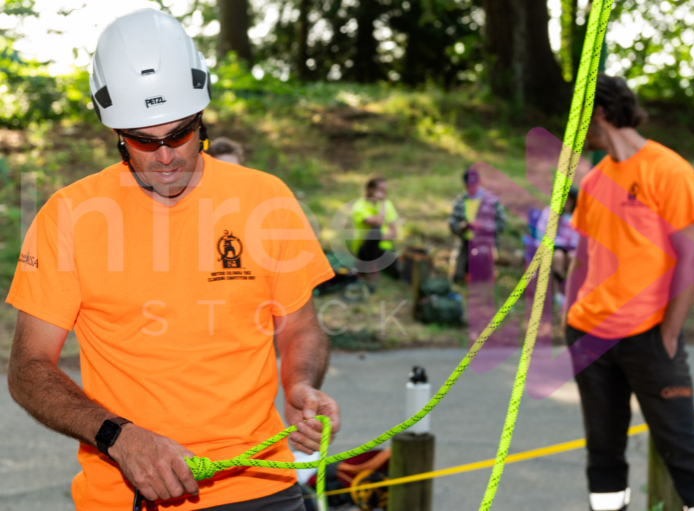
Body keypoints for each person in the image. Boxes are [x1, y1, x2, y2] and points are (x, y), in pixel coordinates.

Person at [6, 9, 339, 511]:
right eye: (144, 140)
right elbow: (28, 369)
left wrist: (300, 383)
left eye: (180, 133)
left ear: (202, 118)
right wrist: (119, 437)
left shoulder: (265, 199)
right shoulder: (69, 216)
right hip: (127, 496)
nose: (166, 155)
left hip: (261, 486)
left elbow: (300, 328)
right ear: (116, 134)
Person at [562, 74, 694, 511]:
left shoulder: (669, 170)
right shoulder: (596, 180)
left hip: (650, 336)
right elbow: (581, 259)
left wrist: (669, 334)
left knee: (683, 453)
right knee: (603, 455)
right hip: (590, 336)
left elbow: (690, 260)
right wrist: (569, 318)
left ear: (598, 113)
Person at [448, 168, 506, 284]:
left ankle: (487, 274)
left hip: (486, 242)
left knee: (483, 278)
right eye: (468, 186)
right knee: (458, 278)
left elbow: (501, 225)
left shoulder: (492, 201)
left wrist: (484, 226)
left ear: (479, 182)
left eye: (474, 185)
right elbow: (452, 224)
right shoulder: (460, 201)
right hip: (465, 242)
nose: (471, 188)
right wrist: (462, 226)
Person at [350, 175, 399, 291]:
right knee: (375, 231)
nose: (384, 194)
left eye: (385, 190)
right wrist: (382, 203)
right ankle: (372, 269)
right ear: (371, 189)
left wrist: (377, 240)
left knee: (398, 273)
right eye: (381, 190)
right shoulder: (359, 206)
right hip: (363, 248)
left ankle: (369, 268)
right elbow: (378, 222)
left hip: (382, 248)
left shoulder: (388, 205)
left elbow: (394, 232)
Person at [534, 186, 579, 306]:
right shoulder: (550, 212)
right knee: (558, 257)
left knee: (573, 258)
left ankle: (571, 293)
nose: (566, 202)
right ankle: (557, 293)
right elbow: (541, 233)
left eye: (569, 199)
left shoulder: (578, 214)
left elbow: (582, 236)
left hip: (573, 247)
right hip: (554, 246)